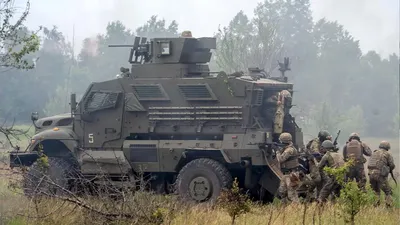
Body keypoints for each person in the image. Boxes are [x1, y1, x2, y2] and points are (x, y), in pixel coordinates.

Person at [367, 140, 395, 207]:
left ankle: (375, 206)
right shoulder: (387, 154)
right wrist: (389, 169)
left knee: (376, 192)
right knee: (388, 191)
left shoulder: (374, 153)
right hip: (380, 176)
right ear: (387, 147)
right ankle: (389, 207)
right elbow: (392, 165)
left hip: (371, 175)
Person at [276, 132, 300, 203]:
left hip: (291, 174)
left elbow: (281, 159)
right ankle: (284, 209)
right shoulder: (286, 148)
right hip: (286, 174)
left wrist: (277, 151)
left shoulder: (289, 150)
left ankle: (297, 209)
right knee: (282, 192)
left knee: (291, 194)